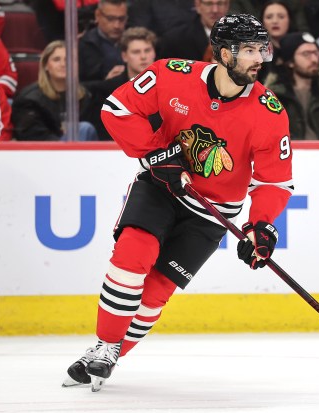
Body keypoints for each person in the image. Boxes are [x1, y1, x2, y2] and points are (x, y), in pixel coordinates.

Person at [63, 13, 293, 391]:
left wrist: (260, 225)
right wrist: (157, 154)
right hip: (163, 188)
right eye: (248, 50)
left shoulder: (269, 113)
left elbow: (274, 181)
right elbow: (117, 110)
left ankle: (108, 353)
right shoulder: (172, 74)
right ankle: (105, 344)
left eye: (260, 50)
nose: (258, 59)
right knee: (132, 256)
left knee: (155, 293)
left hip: (212, 215)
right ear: (222, 53)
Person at [266, 32, 319, 140]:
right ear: (290, 62)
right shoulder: (273, 96)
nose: (314, 60)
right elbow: (270, 134)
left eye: (316, 53)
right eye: (306, 54)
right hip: (289, 153)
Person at [11, 40, 99, 141]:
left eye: (68, 60)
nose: (63, 64)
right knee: (83, 128)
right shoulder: (29, 100)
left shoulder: (85, 95)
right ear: (46, 66)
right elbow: (32, 137)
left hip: (81, 152)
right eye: (57, 59)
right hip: (44, 152)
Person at [85, 26, 161, 140]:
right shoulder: (108, 90)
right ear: (124, 56)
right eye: (136, 52)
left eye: (147, 50)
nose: (143, 57)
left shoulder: (167, 86)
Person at [158, 0, 230, 62]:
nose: (215, 10)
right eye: (209, 3)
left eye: (220, 3)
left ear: (227, 5)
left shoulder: (238, 36)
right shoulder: (174, 39)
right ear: (198, 5)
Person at [78, 0, 127, 82]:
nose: (117, 25)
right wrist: (105, 83)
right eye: (110, 19)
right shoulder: (83, 46)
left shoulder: (134, 41)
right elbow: (79, 87)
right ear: (97, 15)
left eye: (121, 19)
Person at [257, 0, 294, 83]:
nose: (275, 21)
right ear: (262, 22)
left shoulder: (302, 47)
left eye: (281, 17)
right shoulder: (256, 53)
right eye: (269, 17)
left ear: (290, 20)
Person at [127, 0, 195, 38]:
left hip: (194, 49)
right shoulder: (143, 4)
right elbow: (139, 36)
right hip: (162, 54)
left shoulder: (194, 2)